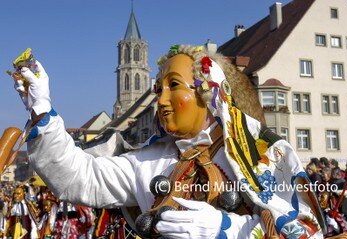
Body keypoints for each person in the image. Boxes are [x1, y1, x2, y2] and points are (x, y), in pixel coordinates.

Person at [12, 45, 325, 238]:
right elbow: (81, 177)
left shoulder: (264, 152)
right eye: (157, 89)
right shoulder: (151, 160)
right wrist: (42, 110)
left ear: (208, 91)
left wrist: (228, 230)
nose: (160, 100)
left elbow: (308, 231)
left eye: (173, 86)